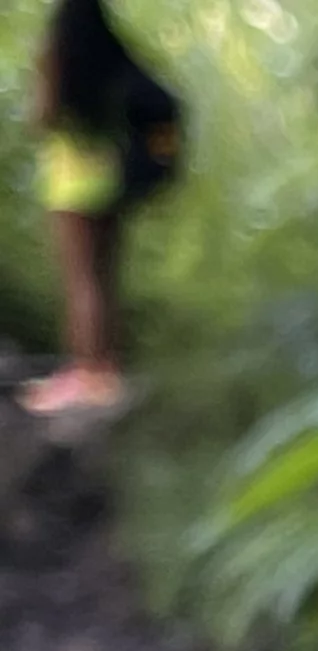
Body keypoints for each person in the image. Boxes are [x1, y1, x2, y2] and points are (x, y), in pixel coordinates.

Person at [23, 0, 178, 416]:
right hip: (110, 179)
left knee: (80, 281)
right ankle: (105, 368)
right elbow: (156, 102)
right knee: (105, 278)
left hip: (70, 184)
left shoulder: (60, 60)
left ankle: (87, 372)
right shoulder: (112, 60)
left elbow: (41, 117)